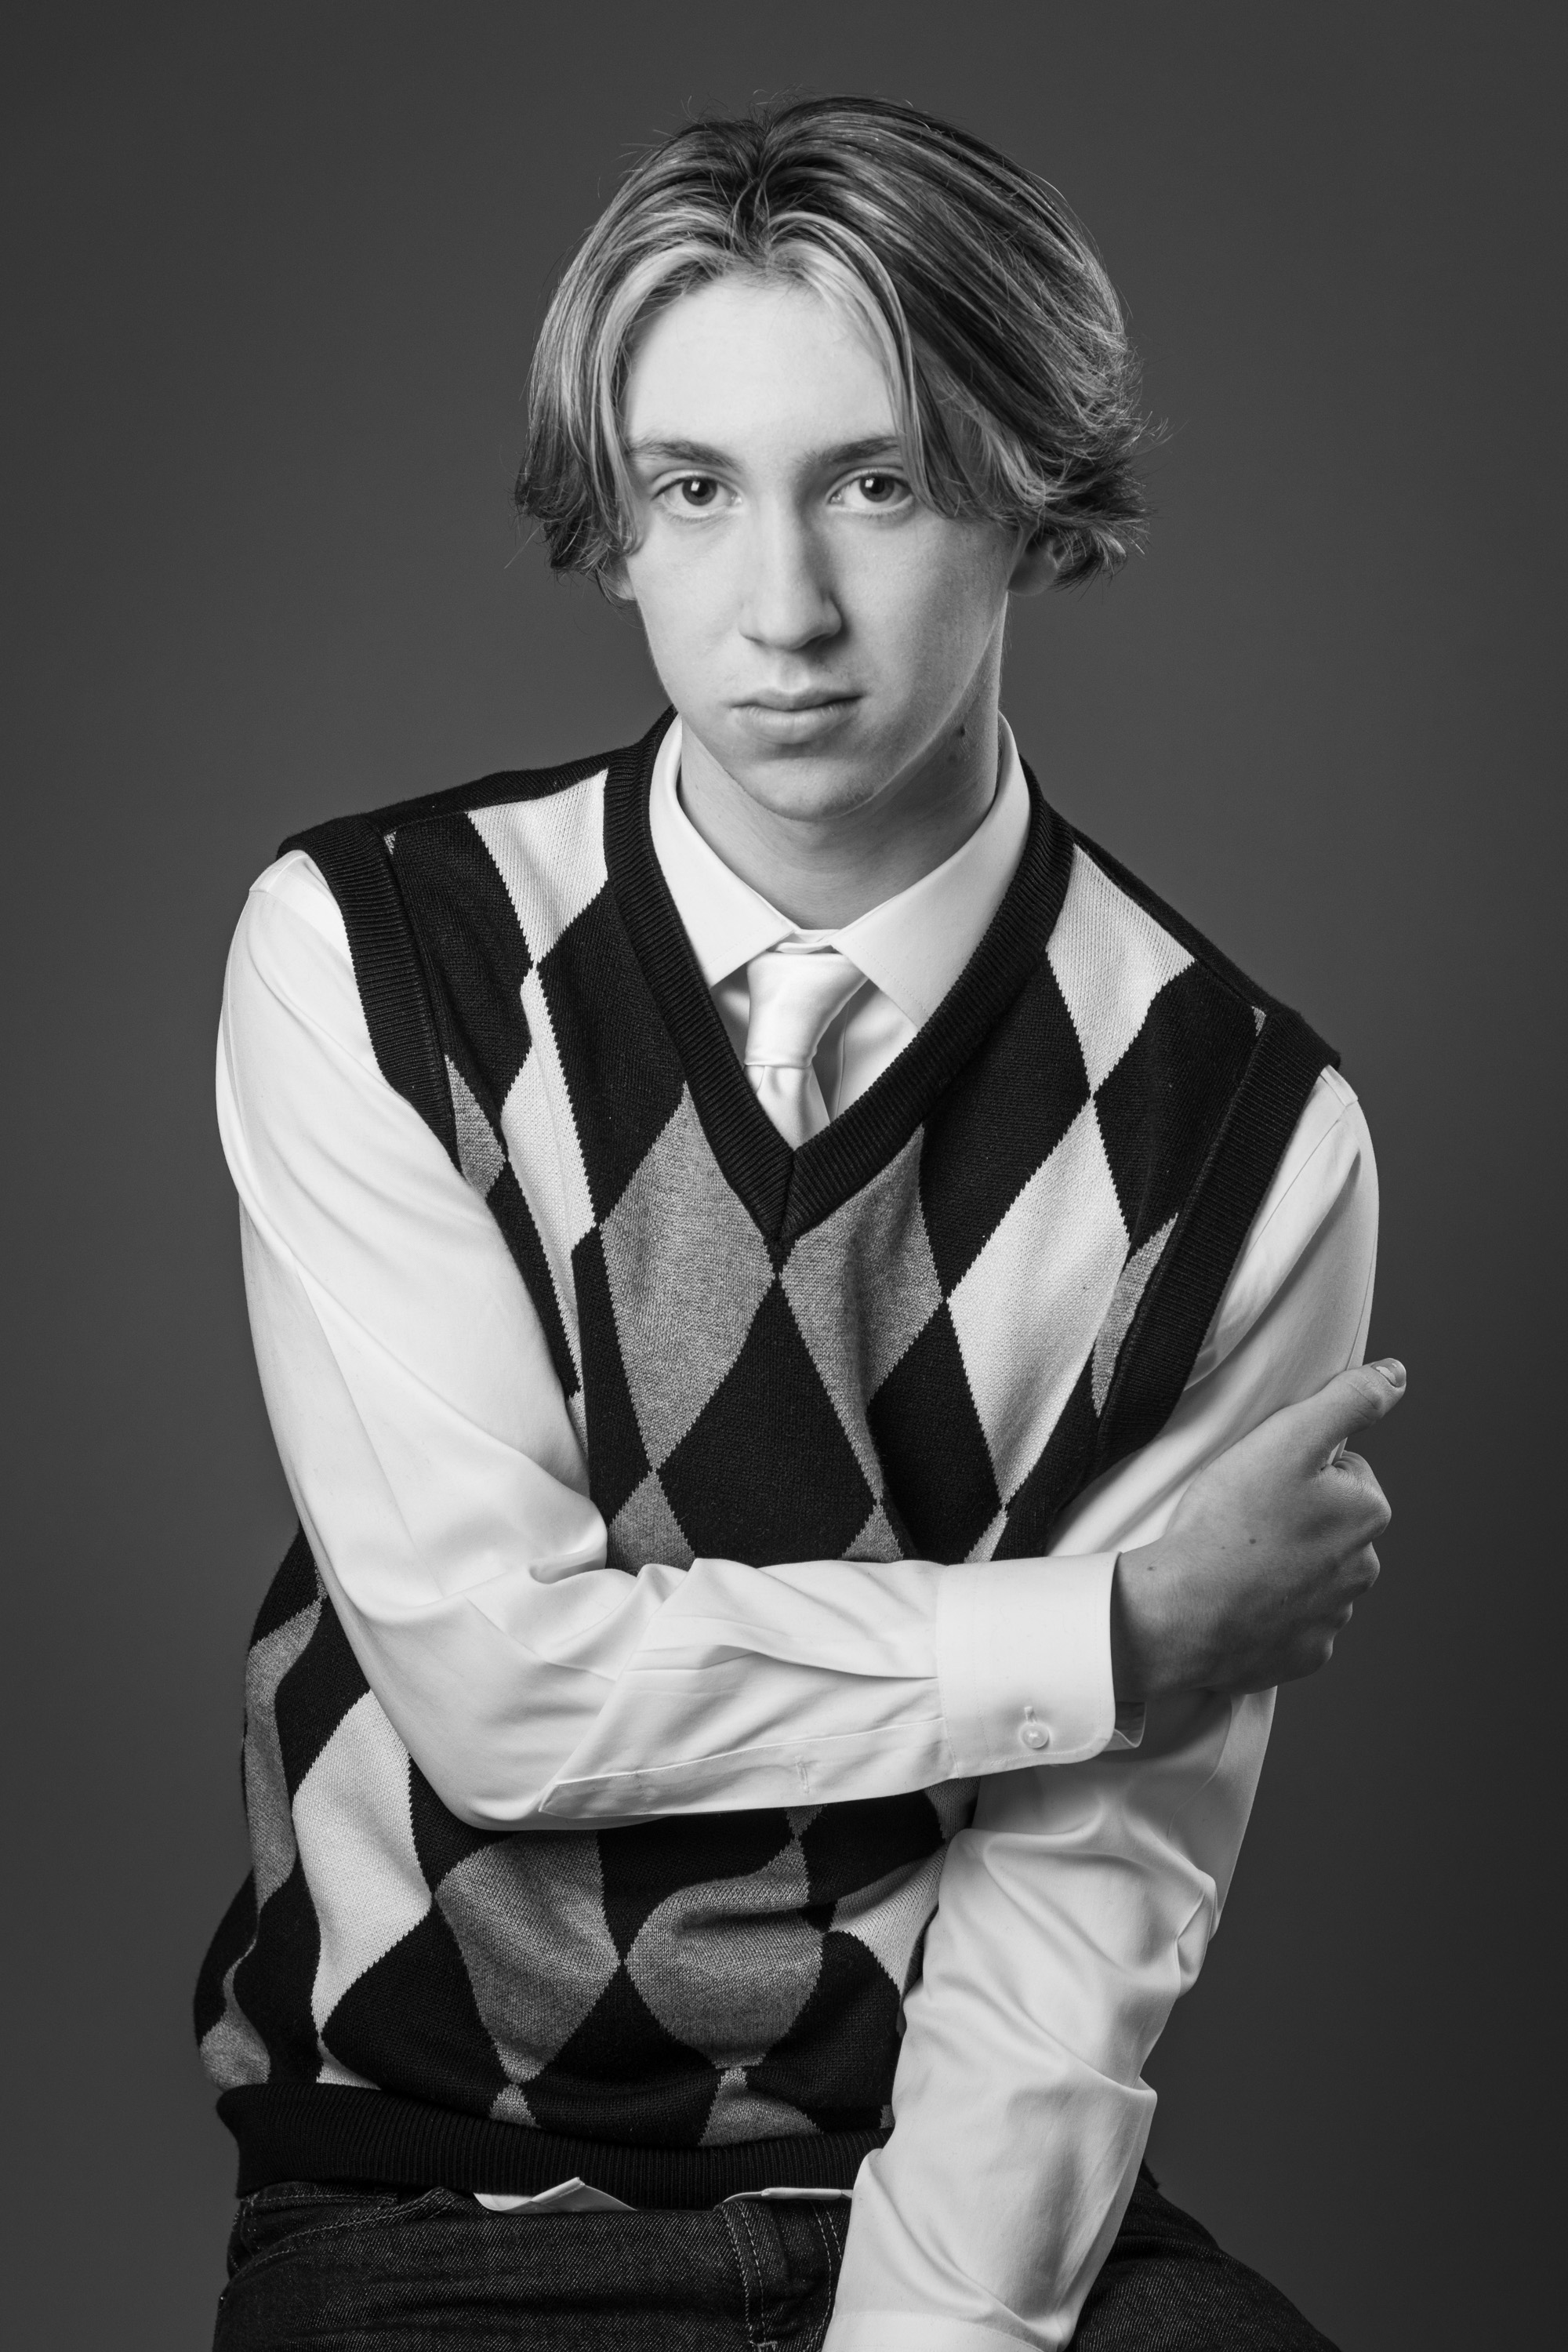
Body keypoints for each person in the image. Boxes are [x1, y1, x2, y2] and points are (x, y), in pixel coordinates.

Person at [195, 95, 1398, 2352]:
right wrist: (1117, 1631)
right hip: (436, 2193)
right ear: (619, 529)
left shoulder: (1244, 1125)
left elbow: (1086, 1899)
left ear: (1030, 495)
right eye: (694, 490)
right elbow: (499, 1692)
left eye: (879, 480)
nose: (785, 610)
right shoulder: (377, 953)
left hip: (959, 2192)